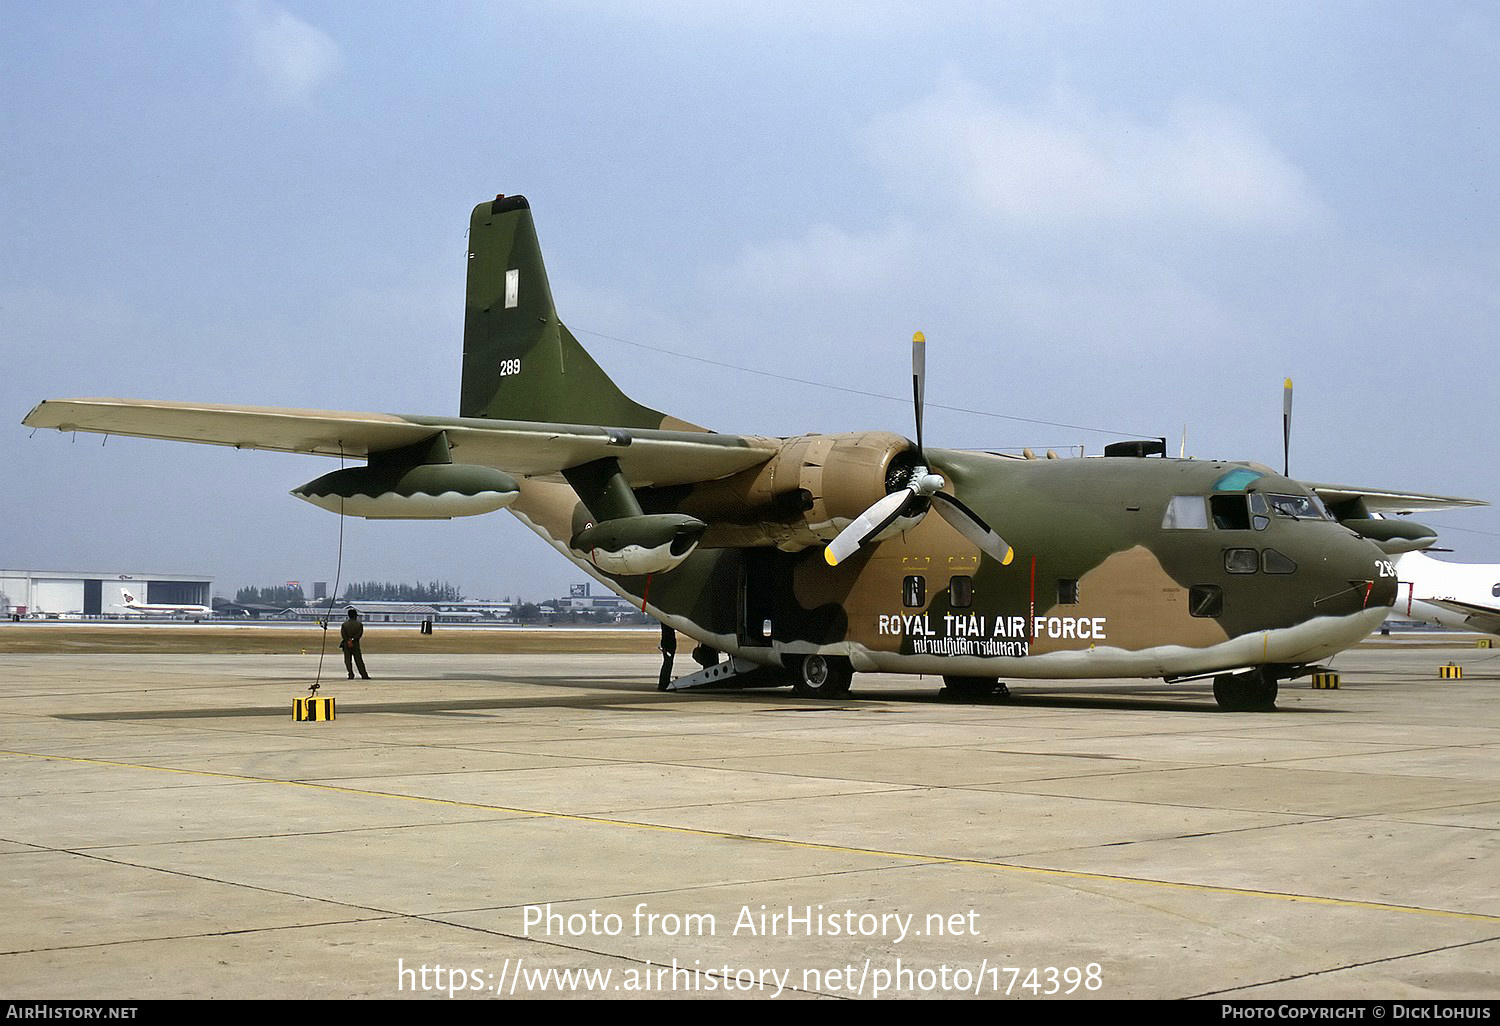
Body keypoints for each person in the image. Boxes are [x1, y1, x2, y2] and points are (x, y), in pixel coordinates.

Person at [340, 607, 370, 680]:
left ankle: (350, 674)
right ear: (355, 615)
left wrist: (348, 640)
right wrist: (353, 640)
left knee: (347, 660)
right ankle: (363, 674)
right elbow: (359, 634)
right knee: (358, 660)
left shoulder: (344, 624)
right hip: (355, 644)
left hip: (346, 644)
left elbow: (343, 634)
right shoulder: (359, 624)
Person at [657, 623, 676, 691]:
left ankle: (663, 683)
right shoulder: (667, 623)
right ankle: (664, 684)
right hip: (668, 644)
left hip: (667, 644)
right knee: (668, 664)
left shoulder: (665, 621)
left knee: (667, 664)